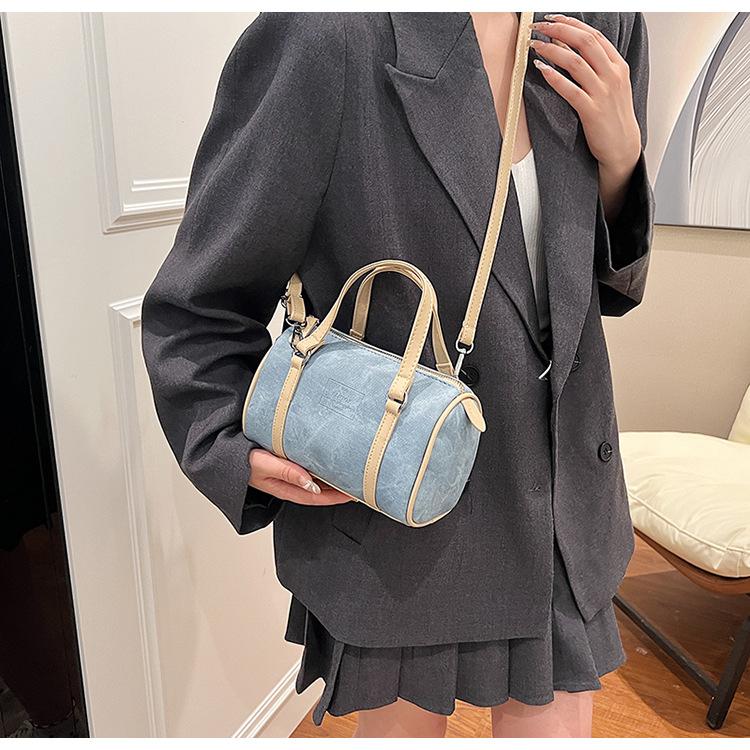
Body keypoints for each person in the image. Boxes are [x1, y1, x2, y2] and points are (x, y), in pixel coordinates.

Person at [140, 11, 655, 738]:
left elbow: (599, 291)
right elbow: (198, 299)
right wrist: (226, 438)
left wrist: (623, 162)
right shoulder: (325, 34)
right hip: (402, 509)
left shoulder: (605, 25)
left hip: (567, 508)